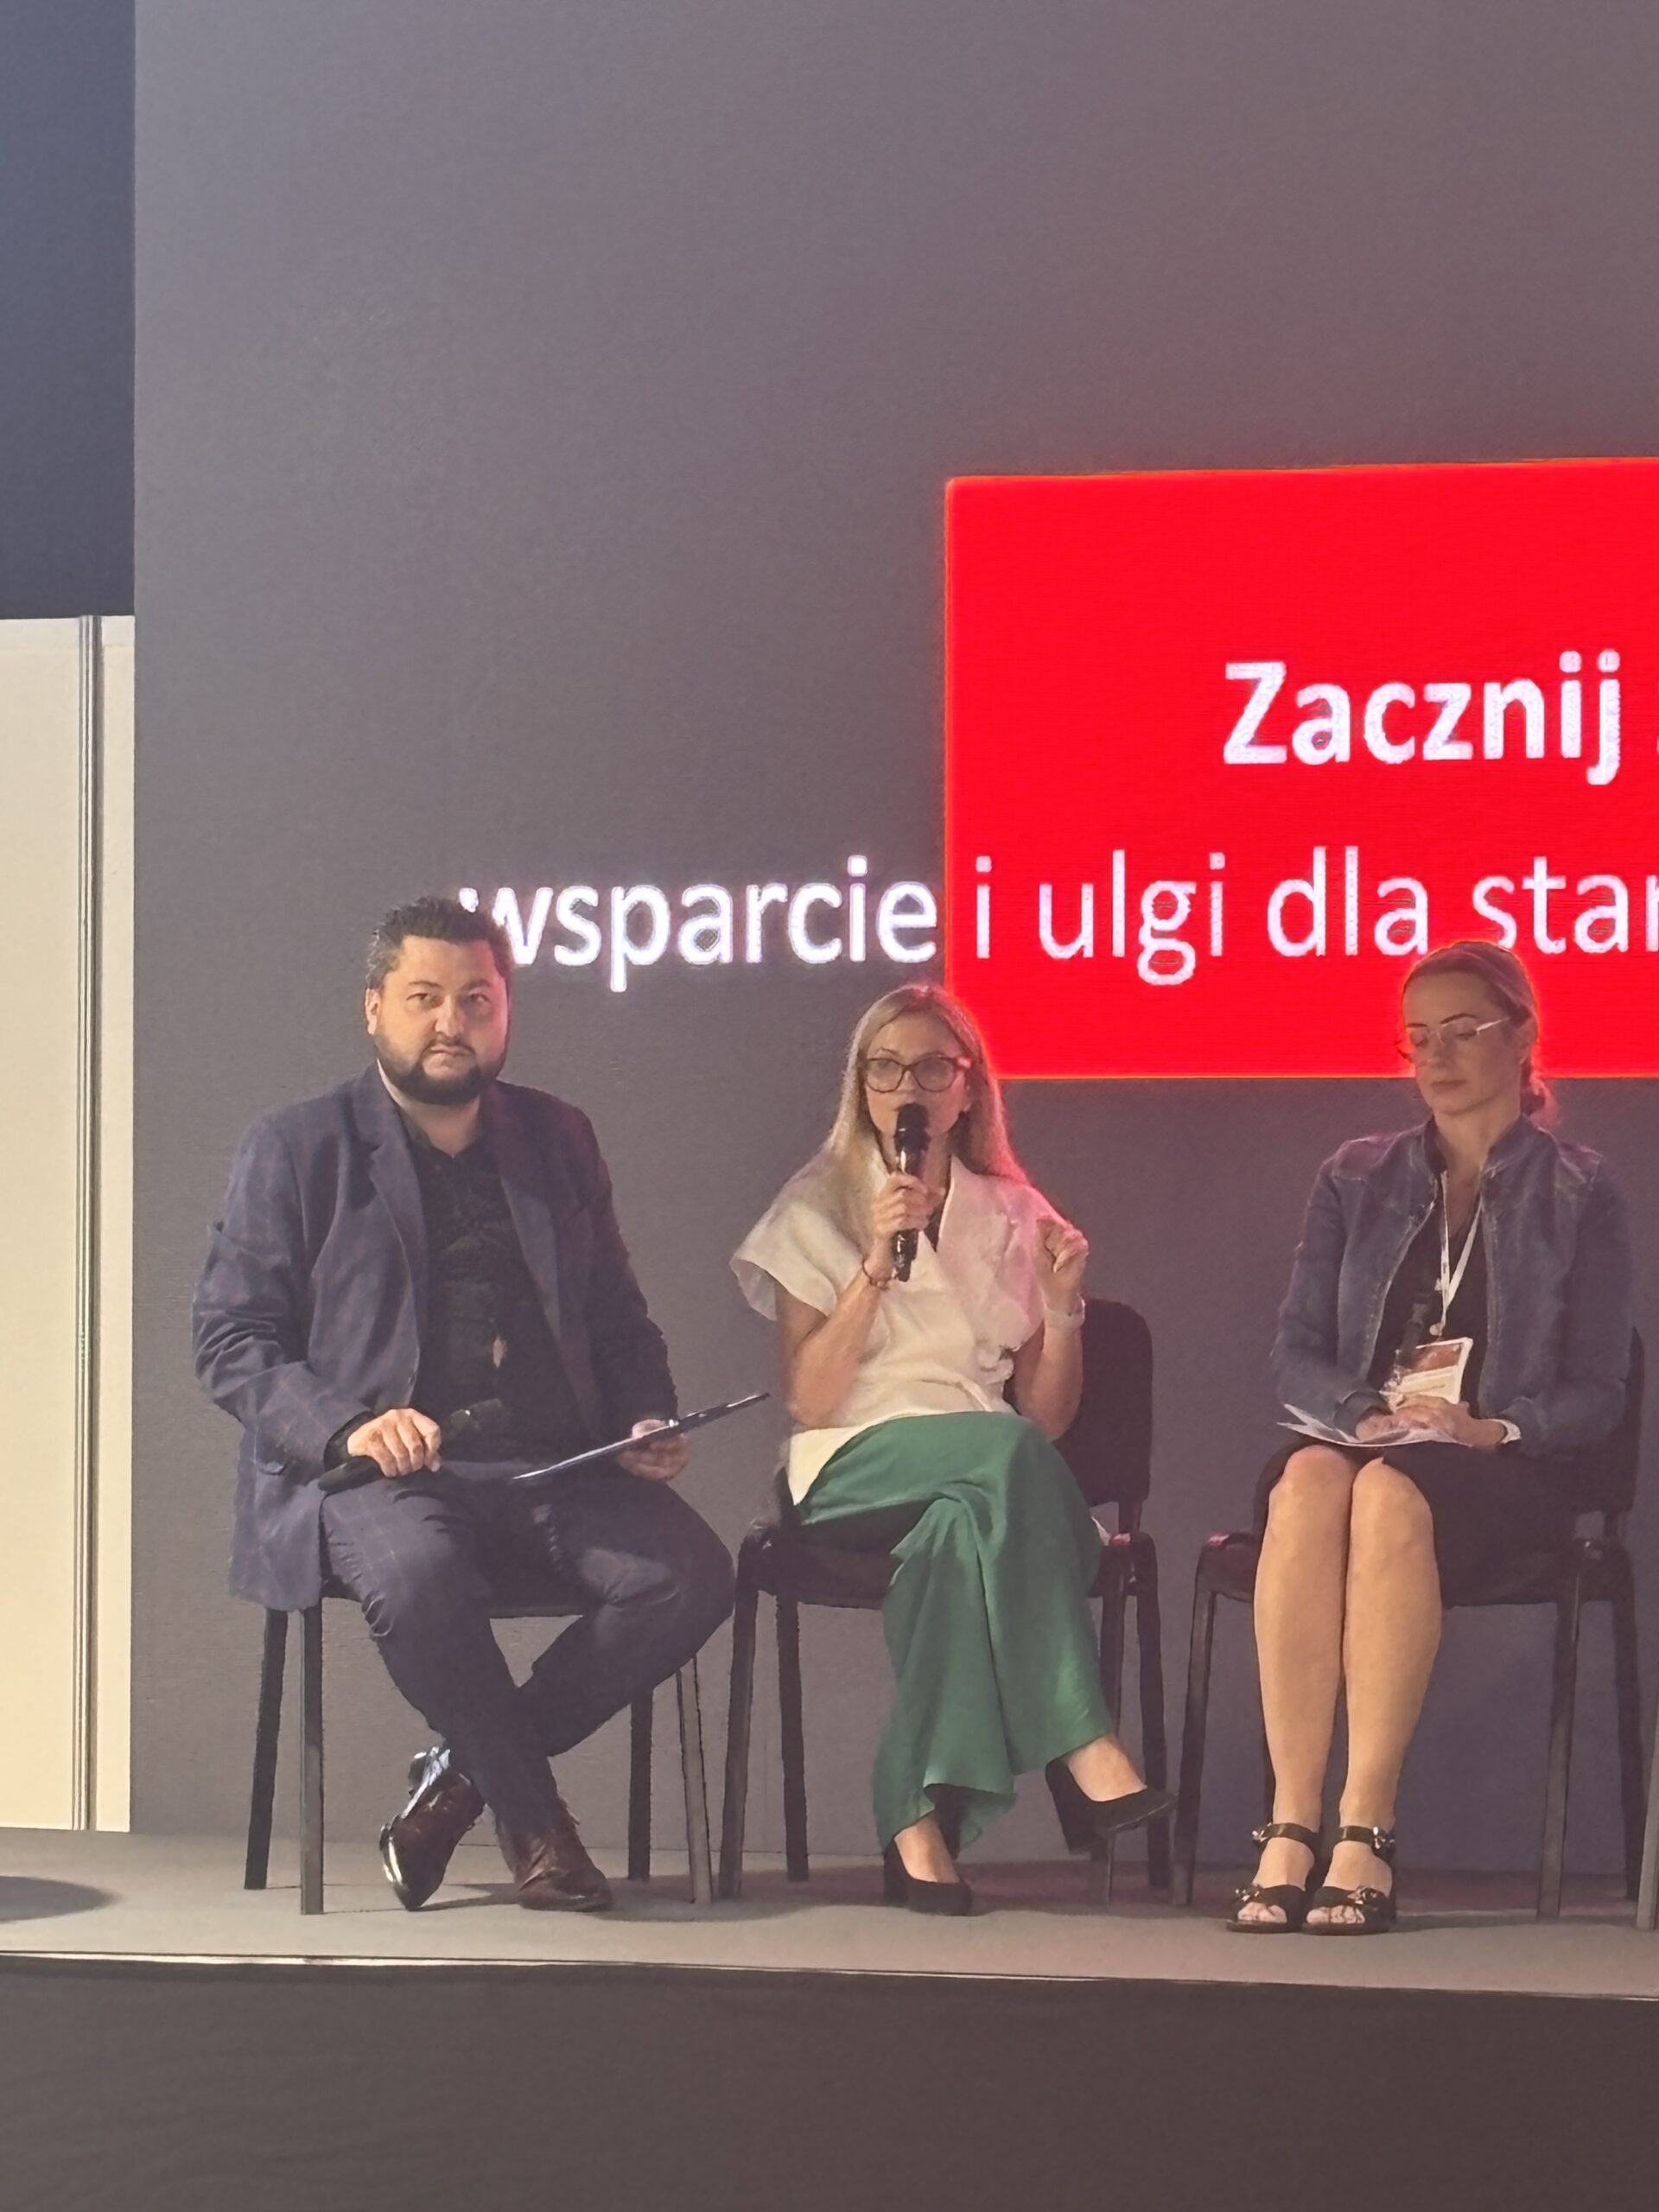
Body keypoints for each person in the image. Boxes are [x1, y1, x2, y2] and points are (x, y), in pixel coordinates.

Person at [194, 896, 734, 1912]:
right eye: (425, 997)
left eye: (477, 999)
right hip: (377, 1478)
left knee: (691, 1575)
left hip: (550, 1465)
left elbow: (618, 1318)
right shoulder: (296, 1146)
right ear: (374, 1008)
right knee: (421, 1575)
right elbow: (231, 1340)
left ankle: (458, 1782)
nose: (453, 1022)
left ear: (506, 1010)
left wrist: (644, 1417)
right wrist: (350, 1425)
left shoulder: (559, 1138)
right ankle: (539, 1828)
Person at [732, 982, 1170, 1914]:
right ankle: (1079, 1738)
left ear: (969, 1088)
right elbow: (810, 1398)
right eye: (885, 1069)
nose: (909, 1088)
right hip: (850, 1460)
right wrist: (872, 1267)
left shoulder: (1014, 1210)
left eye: (933, 1068)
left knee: (958, 1530)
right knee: (1004, 1457)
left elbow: (1046, 1418)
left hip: (983, 1473)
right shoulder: (815, 1204)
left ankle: (914, 1819)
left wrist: (1062, 1309)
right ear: (860, 1087)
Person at [1231, 941, 1633, 1936]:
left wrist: (1495, 1426)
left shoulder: (1581, 1189)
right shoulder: (1355, 1175)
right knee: (1311, 1479)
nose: (1437, 1057)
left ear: (1523, 1035)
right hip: (1367, 1438)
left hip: (1503, 1465)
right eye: (1418, 1038)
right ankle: (1290, 1824)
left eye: (1462, 1031)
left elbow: (1598, 1391)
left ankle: (1365, 1828)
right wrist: (1361, 1411)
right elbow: (1295, 1351)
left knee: (1387, 1491)